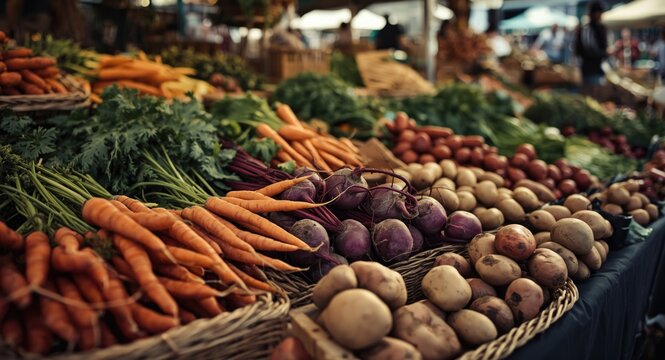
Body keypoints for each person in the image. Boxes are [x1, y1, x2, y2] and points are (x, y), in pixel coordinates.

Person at [575, 1, 608, 94]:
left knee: (596, 93)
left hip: (597, 68)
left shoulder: (600, 27)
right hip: (590, 68)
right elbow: (590, 48)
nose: (601, 15)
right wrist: (604, 53)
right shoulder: (587, 29)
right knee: (591, 93)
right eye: (599, 13)